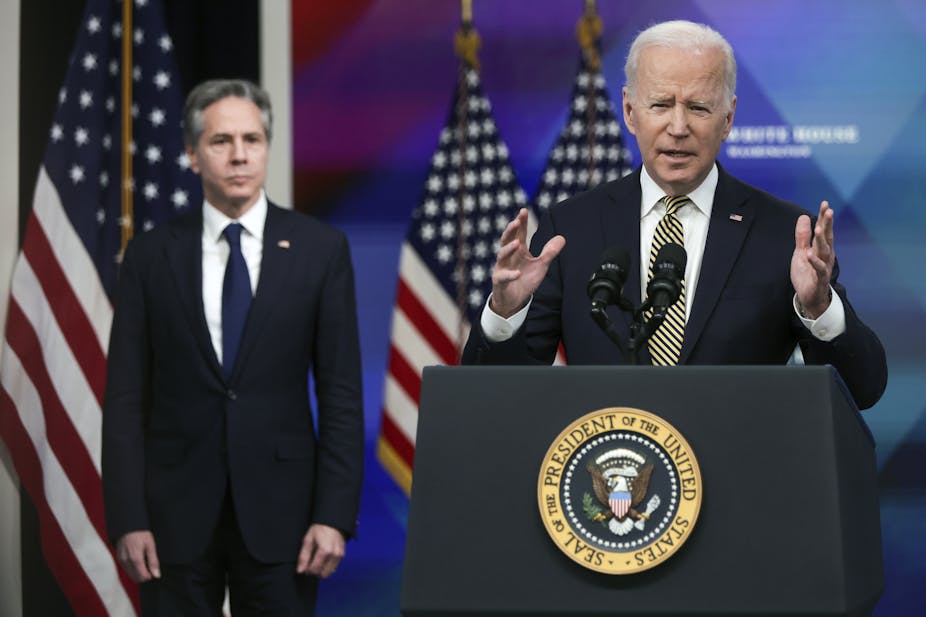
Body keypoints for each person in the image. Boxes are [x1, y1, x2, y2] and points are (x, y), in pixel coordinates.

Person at [461, 20, 887, 410]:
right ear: (630, 111)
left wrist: (819, 307)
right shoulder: (570, 229)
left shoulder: (783, 234)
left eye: (699, 107)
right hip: (606, 482)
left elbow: (863, 389)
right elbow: (491, 398)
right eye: (661, 104)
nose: (678, 126)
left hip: (738, 485)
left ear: (729, 118)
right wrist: (504, 313)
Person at [102, 79, 363, 615]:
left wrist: (333, 515)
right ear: (193, 155)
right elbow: (125, 398)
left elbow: (341, 395)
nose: (240, 155)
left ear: (268, 147)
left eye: (253, 139)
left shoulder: (321, 250)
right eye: (221, 141)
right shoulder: (150, 257)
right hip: (172, 516)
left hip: (286, 517)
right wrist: (129, 517)